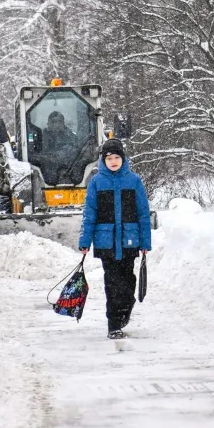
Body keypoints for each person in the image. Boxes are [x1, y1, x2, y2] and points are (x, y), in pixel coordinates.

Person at [78, 138, 151, 339]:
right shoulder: (96, 182)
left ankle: (126, 308)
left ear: (123, 158)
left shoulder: (134, 181)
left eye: (116, 157)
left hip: (129, 240)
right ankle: (114, 324)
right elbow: (89, 214)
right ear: (103, 160)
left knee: (128, 281)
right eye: (109, 158)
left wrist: (145, 242)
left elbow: (143, 213)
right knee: (112, 282)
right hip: (105, 242)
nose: (113, 161)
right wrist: (85, 241)